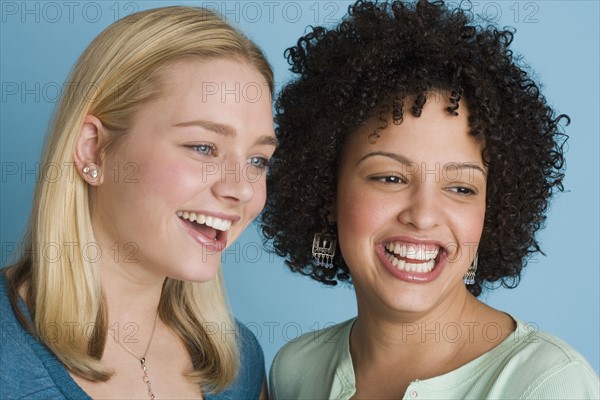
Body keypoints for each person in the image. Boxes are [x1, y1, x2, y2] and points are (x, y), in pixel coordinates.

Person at [261, 1, 600, 398]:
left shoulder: (548, 385)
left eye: (461, 188)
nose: (423, 216)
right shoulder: (297, 370)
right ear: (325, 191)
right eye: (389, 177)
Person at [0, 6, 276, 399]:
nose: (243, 190)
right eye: (204, 147)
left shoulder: (241, 364)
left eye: (257, 160)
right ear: (93, 149)